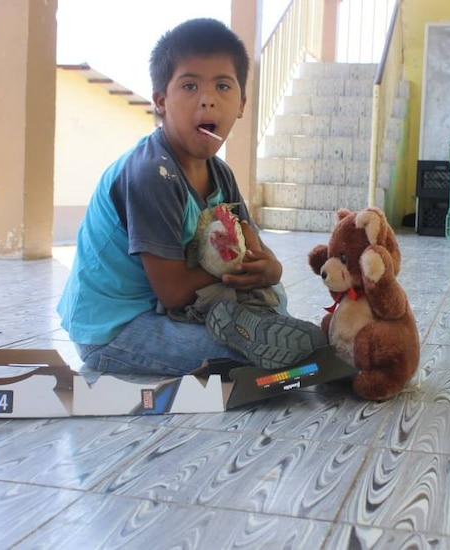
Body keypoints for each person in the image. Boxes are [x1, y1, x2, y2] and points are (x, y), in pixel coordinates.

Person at [57, 18, 326, 377]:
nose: (208, 100)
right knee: (254, 353)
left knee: (272, 309)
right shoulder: (152, 175)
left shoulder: (219, 172)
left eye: (223, 86)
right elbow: (173, 292)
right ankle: (279, 347)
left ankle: (278, 340)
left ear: (242, 104)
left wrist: (271, 269)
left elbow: (253, 248)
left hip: (170, 310)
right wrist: (234, 273)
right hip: (116, 329)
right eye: (189, 85)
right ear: (161, 101)